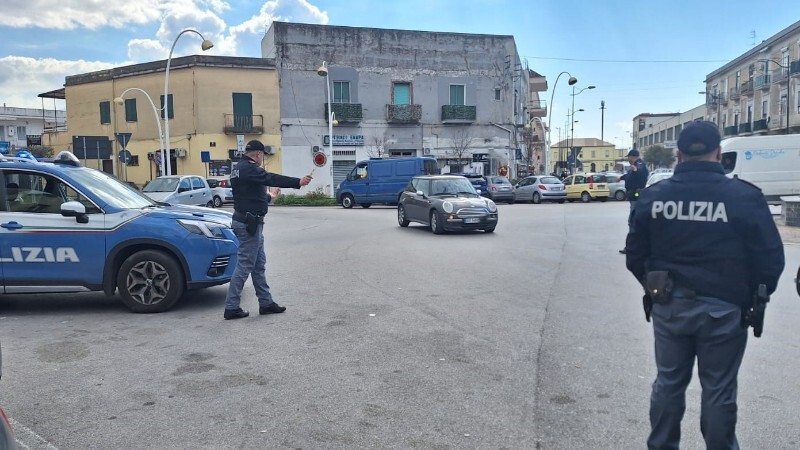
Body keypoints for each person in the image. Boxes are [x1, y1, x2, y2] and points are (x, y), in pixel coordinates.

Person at [625, 120, 784, 450]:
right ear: (719, 154)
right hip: (725, 309)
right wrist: (752, 296)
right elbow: (770, 259)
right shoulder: (744, 196)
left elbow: (635, 255)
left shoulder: (655, 196)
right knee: (719, 390)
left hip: (669, 305)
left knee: (668, 383)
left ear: (678, 155)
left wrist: (654, 287)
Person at [223, 139, 312, 320]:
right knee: (245, 265)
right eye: (262, 155)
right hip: (249, 225)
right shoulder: (250, 169)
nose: (262, 158)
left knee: (258, 265)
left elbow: (250, 195)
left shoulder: (239, 168)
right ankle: (231, 307)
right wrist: (298, 182)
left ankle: (266, 303)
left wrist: (270, 196)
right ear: (258, 154)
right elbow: (271, 178)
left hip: (250, 223)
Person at [619, 148, 649, 254]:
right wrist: (622, 177)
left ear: (632, 157)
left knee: (633, 222)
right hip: (634, 197)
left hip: (636, 196)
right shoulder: (635, 165)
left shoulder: (639, 164)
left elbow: (640, 172)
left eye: (628, 157)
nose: (628, 159)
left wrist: (636, 170)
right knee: (633, 221)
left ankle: (632, 247)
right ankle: (636, 246)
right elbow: (629, 176)